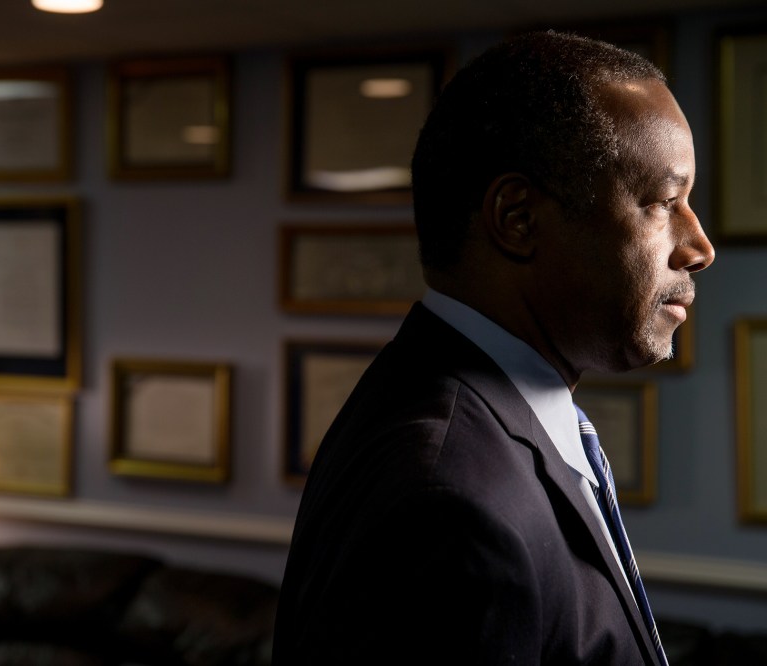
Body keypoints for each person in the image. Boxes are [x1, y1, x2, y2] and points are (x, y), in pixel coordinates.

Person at [272, 30, 714, 665]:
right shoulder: (446, 496)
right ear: (518, 218)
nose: (699, 247)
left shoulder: (470, 419)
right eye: (664, 202)